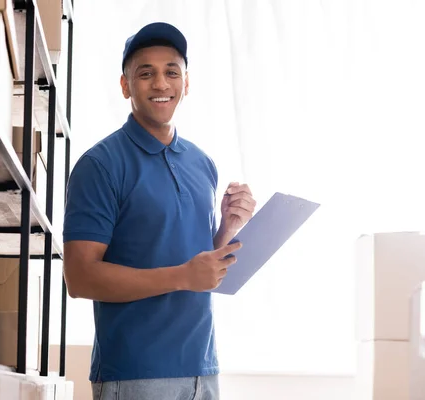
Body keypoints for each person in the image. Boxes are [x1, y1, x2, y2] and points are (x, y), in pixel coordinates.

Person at [63, 22, 256, 400]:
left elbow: (201, 268)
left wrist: (229, 229)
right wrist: (184, 275)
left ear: (187, 82)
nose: (161, 84)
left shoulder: (203, 164)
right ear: (125, 86)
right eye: (145, 73)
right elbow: (80, 277)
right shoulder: (100, 164)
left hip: (203, 368)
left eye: (172, 72)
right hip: (135, 373)